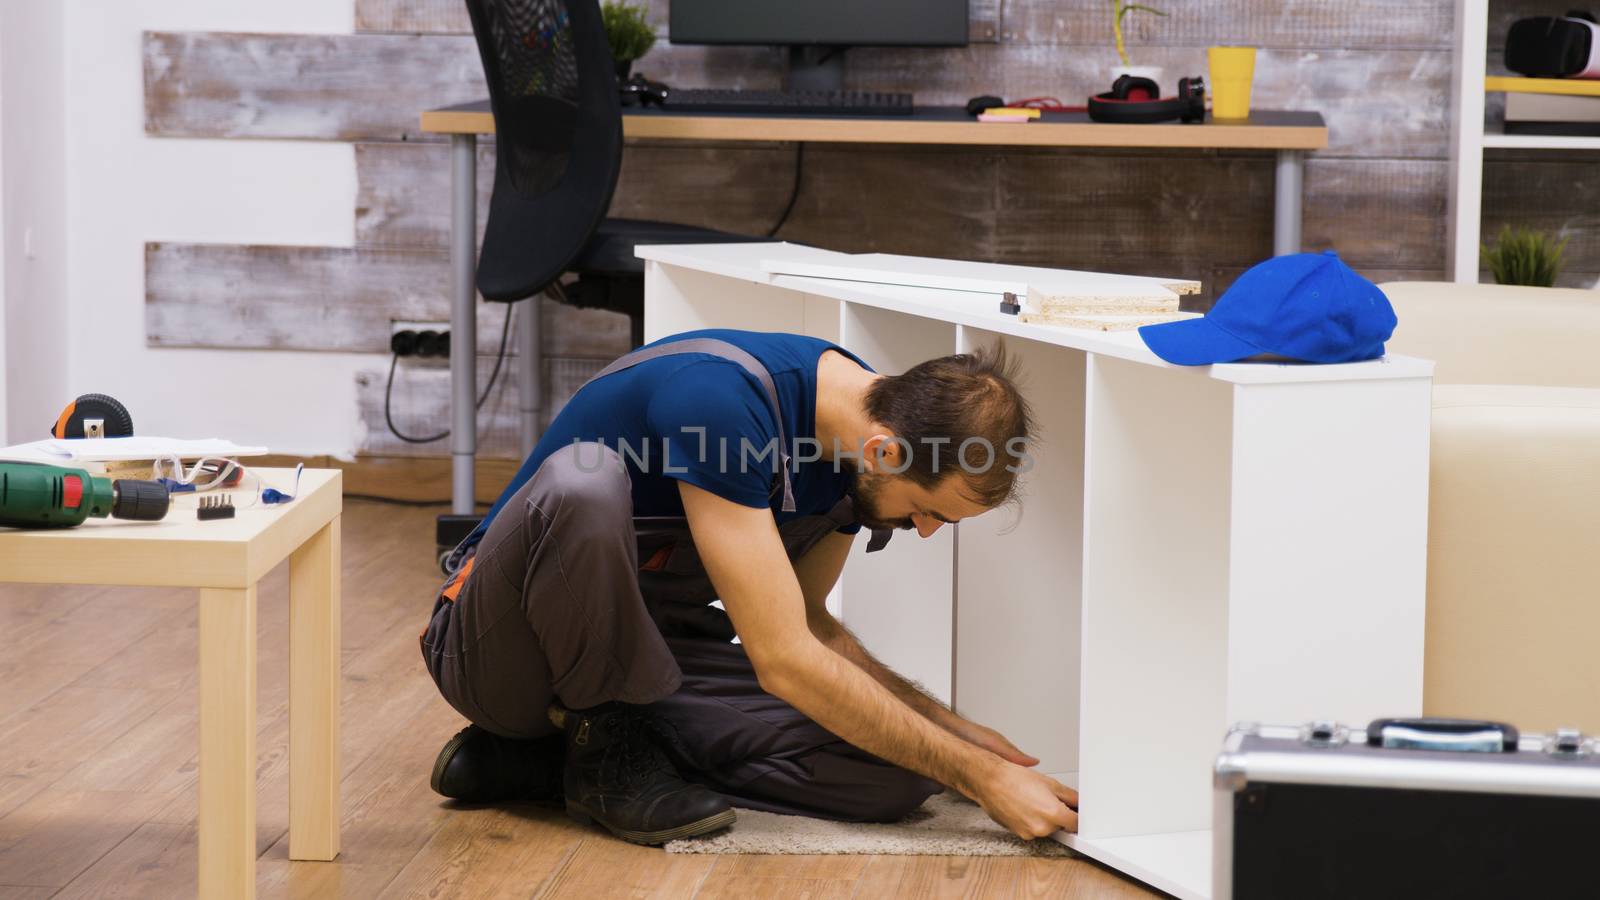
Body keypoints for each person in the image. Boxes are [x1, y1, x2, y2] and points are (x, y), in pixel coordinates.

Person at [420, 328, 1079, 845]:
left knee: (899, 776)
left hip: (650, 653)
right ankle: (596, 750)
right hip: (499, 650)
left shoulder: (853, 449)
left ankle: (552, 755)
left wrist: (954, 736)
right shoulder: (722, 402)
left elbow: (812, 625)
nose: (928, 532)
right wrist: (982, 777)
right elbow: (783, 656)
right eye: (930, 510)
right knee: (583, 481)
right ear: (884, 451)